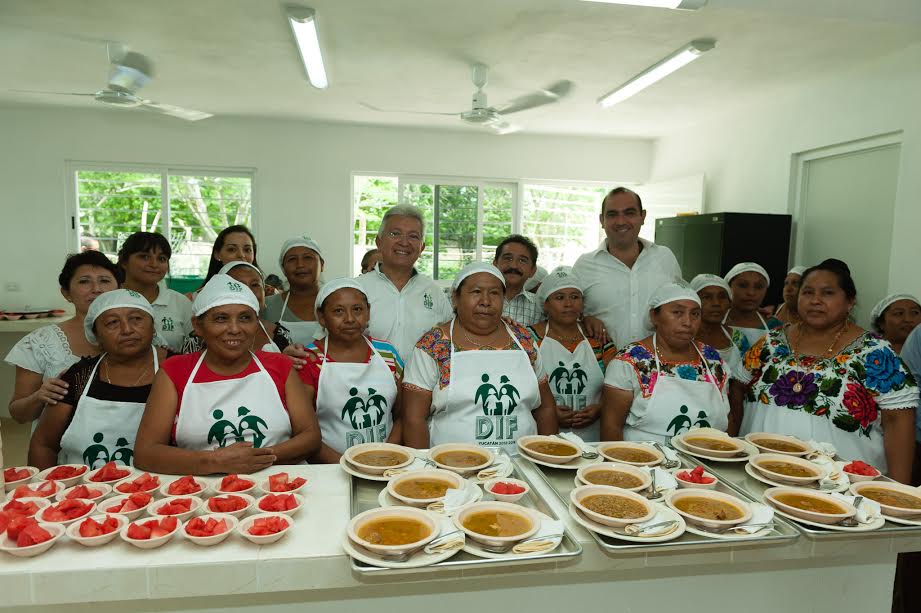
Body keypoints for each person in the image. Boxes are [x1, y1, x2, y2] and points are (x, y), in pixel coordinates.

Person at [734, 259, 917, 482]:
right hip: (760, 471)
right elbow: (737, 388)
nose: (815, 300)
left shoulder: (874, 352)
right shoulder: (771, 342)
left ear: (850, 301)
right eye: (808, 292)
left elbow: (898, 420)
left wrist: (898, 488)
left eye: (827, 293)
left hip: (840, 484)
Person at [133, 275, 321, 475]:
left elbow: (310, 436)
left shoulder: (280, 365)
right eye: (221, 318)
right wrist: (215, 461)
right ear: (197, 326)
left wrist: (254, 459)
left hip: (282, 484)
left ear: (257, 323)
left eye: (245, 318)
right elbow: (146, 453)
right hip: (202, 488)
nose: (234, 329)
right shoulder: (174, 371)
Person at [403, 262, 558, 453]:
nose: (486, 301)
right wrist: (423, 465)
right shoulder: (433, 345)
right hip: (451, 464)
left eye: (494, 293)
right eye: (476, 292)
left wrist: (547, 458)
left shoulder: (524, 340)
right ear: (455, 298)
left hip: (522, 462)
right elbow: (413, 418)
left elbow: (545, 408)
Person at [28, 290, 167, 469]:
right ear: (96, 335)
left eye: (136, 319)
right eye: (112, 322)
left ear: (153, 326)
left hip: (160, 484)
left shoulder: (177, 370)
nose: (127, 329)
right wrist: (48, 484)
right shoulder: (79, 376)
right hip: (83, 482)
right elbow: (44, 444)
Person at [601, 282, 733, 442]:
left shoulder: (712, 359)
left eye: (695, 314)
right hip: (645, 455)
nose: (688, 322)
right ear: (654, 316)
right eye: (677, 312)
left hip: (705, 454)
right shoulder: (630, 360)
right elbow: (611, 426)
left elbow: (727, 418)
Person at [6, 251, 119, 428]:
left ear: (119, 289)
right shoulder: (39, 342)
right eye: (84, 281)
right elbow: (19, 414)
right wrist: (39, 397)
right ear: (66, 293)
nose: (97, 288)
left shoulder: (137, 337)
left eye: (104, 280)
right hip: (55, 443)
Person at [300, 278, 404, 461]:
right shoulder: (309, 359)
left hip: (386, 462)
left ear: (368, 312)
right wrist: (346, 465)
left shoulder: (387, 353)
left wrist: (387, 455)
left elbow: (402, 415)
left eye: (357, 309)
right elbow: (303, 430)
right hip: (329, 466)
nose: (349, 319)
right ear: (322, 317)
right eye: (338, 311)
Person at [573, 187, 682, 348]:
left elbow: (682, 306)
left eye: (629, 213)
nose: (621, 221)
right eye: (612, 214)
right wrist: (583, 320)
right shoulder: (584, 265)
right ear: (602, 220)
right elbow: (567, 314)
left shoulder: (665, 258)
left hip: (659, 361)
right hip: (603, 362)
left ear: (642, 216)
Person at [528, 267, 615, 441]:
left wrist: (600, 407)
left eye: (575, 297)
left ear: (582, 303)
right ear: (545, 304)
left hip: (593, 439)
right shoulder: (529, 338)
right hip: (543, 437)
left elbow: (617, 384)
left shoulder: (598, 338)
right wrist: (546, 412)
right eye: (559, 298)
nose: (568, 304)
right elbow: (521, 385)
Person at [356, 205, 453, 360]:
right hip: (367, 375)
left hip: (423, 376)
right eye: (395, 234)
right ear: (379, 242)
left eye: (413, 236)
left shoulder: (434, 292)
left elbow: (451, 341)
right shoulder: (357, 289)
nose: (404, 242)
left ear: (422, 247)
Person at [181, 261, 293, 354]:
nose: (249, 291)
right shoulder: (198, 338)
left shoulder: (279, 334)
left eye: (255, 285)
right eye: (239, 285)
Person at [117, 232, 193, 353]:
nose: (154, 264)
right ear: (124, 262)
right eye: (144, 257)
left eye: (161, 259)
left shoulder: (181, 303)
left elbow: (193, 349)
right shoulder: (109, 300)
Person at [263, 236, 325, 346]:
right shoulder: (266, 306)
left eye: (307, 258)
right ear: (283, 269)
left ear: (322, 265)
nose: (300, 264)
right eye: (292, 259)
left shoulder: (337, 304)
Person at [722, 262, 782, 354]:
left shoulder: (774, 325)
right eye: (743, 285)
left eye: (759, 287)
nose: (751, 292)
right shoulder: (715, 322)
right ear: (729, 287)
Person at [689, 274, 741, 372]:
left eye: (722, 297)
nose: (716, 303)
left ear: (730, 303)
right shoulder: (683, 337)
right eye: (707, 297)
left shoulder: (738, 337)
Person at [195, 225, 265, 294]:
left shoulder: (267, 294)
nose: (241, 255)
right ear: (217, 254)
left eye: (247, 250)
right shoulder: (200, 296)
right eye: (232, 249)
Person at [493, 235, 544, 327]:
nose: (513, 266)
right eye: (508, 258)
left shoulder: (540, 307)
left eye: (522, 260)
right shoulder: (479, 300)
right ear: (495, 264)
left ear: (532, 270)